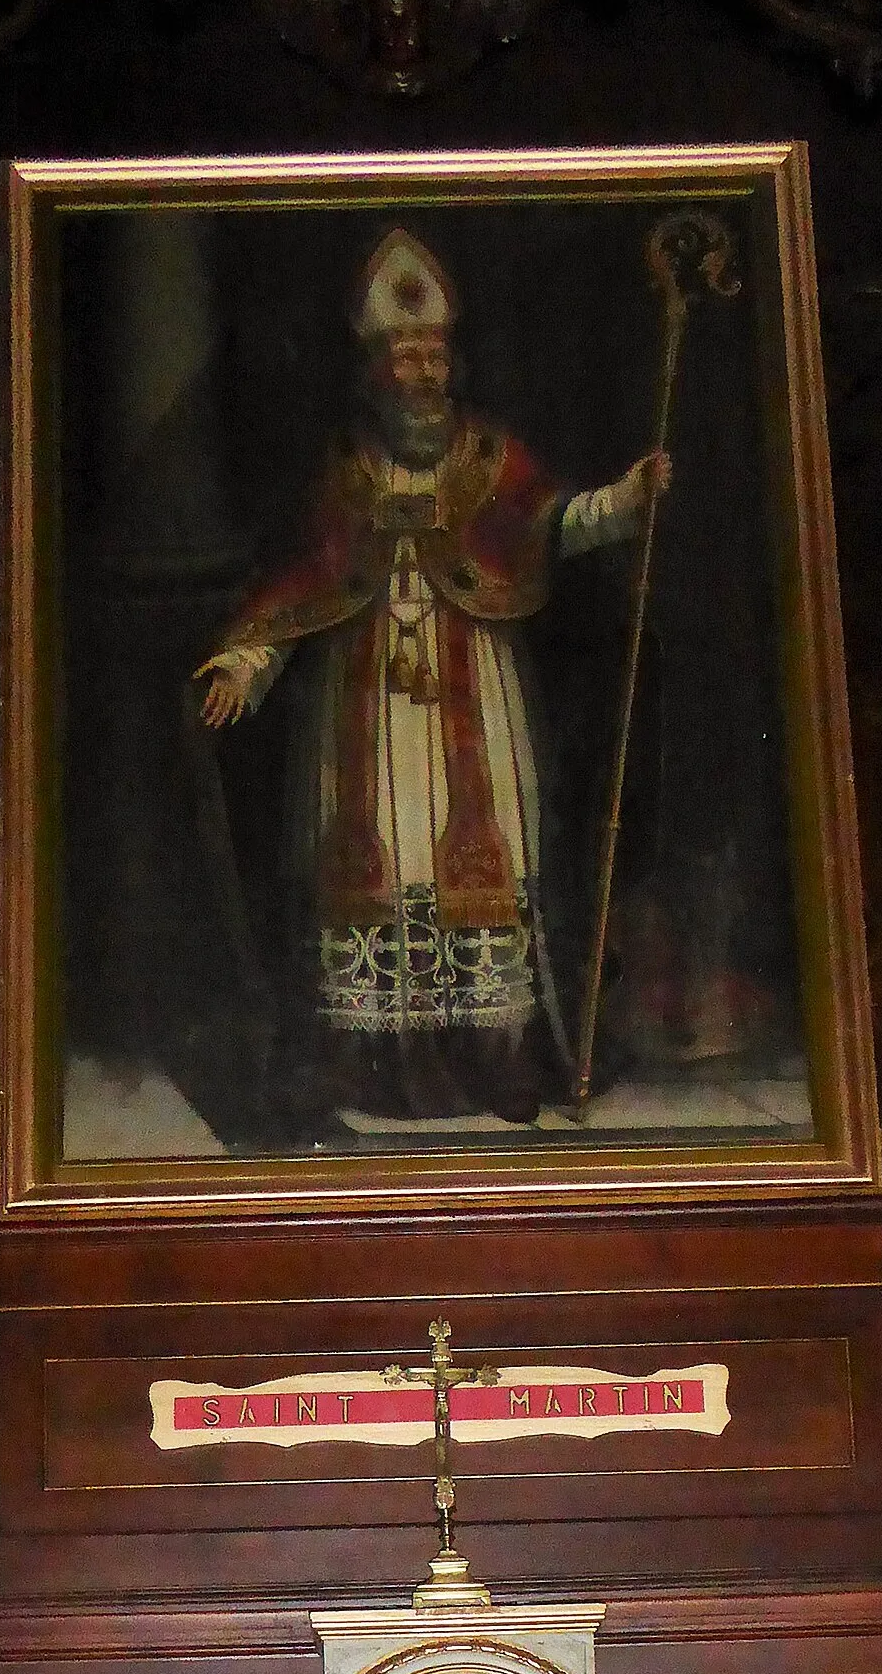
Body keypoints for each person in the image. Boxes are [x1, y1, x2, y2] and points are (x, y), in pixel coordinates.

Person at [196, 227, 668, 1124]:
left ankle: (496, 1063)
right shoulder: (346, 468)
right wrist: (247, 656)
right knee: (380, 863)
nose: (422, 372)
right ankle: (376, 1071)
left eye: (433, 356)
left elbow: (554, 521)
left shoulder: (489, 457)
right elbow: (305, 577)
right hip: (364, 702)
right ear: (376, 370)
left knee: (483, 864)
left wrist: (630, 497)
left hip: (475, 695)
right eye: (404, 356)